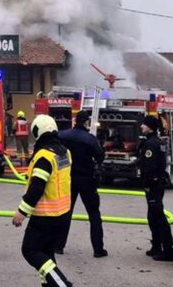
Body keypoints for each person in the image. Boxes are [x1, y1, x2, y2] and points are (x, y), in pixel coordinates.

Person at [11, 115, 74, 287]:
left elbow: (37, 188)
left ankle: (63, 284)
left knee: (30, 250)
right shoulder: (64, 152)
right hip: (62, 214)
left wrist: (21, 212)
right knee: (46, 253)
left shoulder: (44, 157)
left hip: (45, 216)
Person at [57, 111, 107, 258]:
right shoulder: (90, 139)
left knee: (65, 213)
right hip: (87, 180)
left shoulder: (63, 135)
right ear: (86, 122)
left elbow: (57, 153)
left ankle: (58, 246)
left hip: (68, 179)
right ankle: (98, 249)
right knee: (94, 214)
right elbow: (99, 157)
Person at [138, 115, 173, 262]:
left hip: (153, 185)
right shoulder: (157, 142)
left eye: (144, 125)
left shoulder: (151, 144)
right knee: (153, 217)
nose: (141, 126)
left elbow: (151, 166)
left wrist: (147, 183)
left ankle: (168, 251)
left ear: (150, 127)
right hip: (158, 184)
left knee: (158, 218)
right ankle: (156, 247)